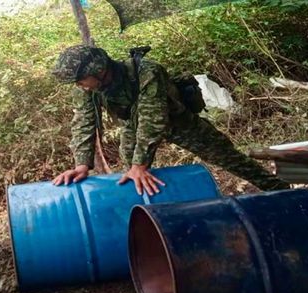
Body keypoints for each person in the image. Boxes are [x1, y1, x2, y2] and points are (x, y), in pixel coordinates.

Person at [51, 45, 289, 194]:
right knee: (132, 178)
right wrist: (82, 165)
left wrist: (140, 164)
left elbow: (153, 118)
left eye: (80, 79)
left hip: (178, 122)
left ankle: (281, 191)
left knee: (229, 158)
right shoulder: (86, 89)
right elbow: (83, 123)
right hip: (132, 128)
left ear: (99, 70)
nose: (78, 85)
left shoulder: (147, 72)